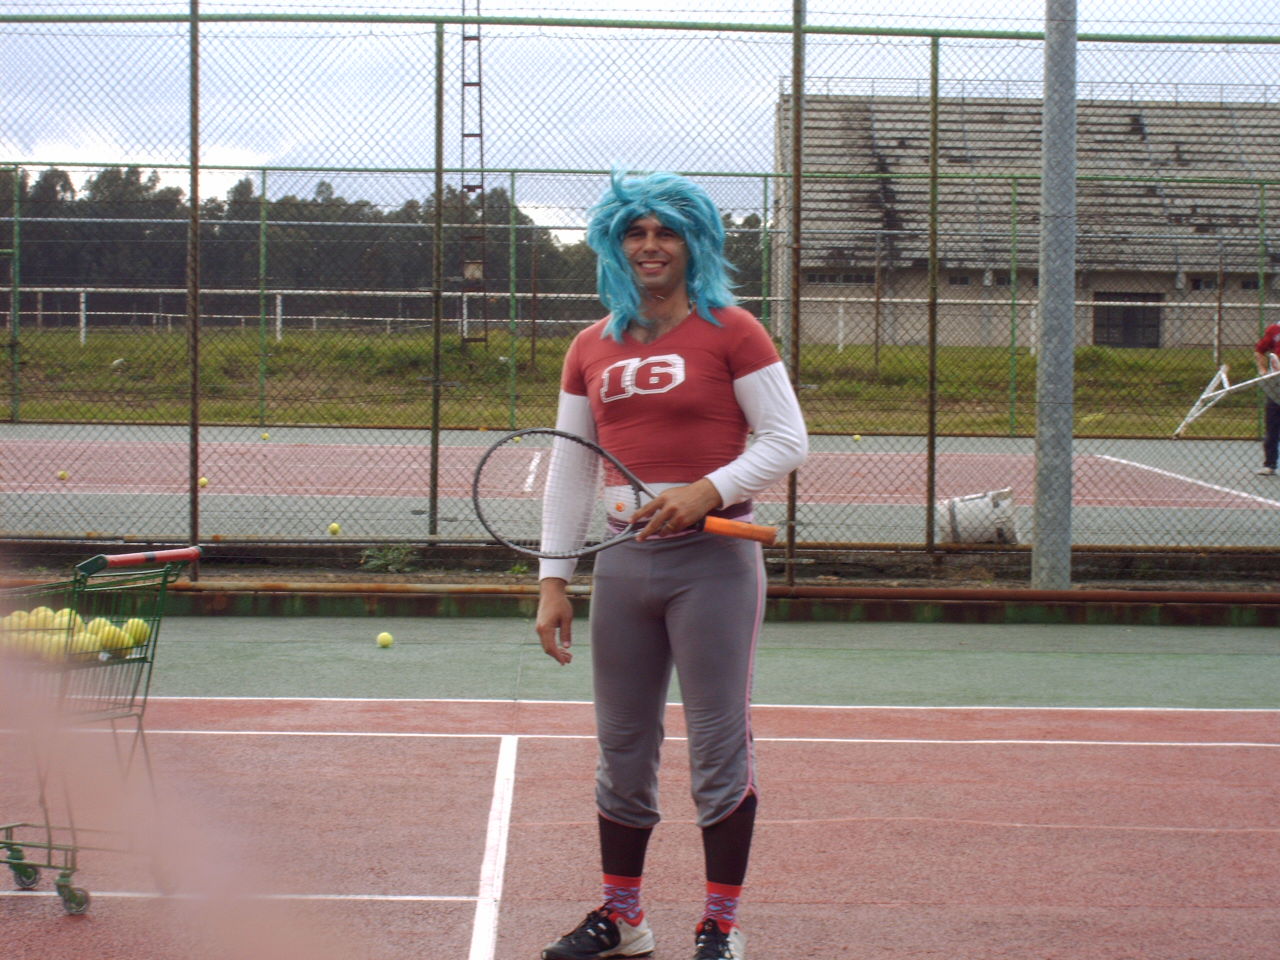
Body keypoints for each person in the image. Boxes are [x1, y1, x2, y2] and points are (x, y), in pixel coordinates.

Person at [535, 171, 807, 960]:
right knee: (622, 747)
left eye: (667, 232)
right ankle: (623, 918)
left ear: (695, 244)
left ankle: (720, 924)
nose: (650, 246)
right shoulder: (590, 346)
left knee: (719, 749)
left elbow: (787, 440)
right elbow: (571, 469)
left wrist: (706, 491)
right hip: (624, 565)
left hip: (715, 563)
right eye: (635, 232)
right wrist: (553, 581)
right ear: (613, 244)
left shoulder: (734, 331)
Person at [1254, 323, 1280, 475]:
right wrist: (1263, 371)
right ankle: (1270, 464)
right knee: (1272, 425)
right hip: (1277, 386)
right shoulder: (1275, 329)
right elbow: (1259, 351)